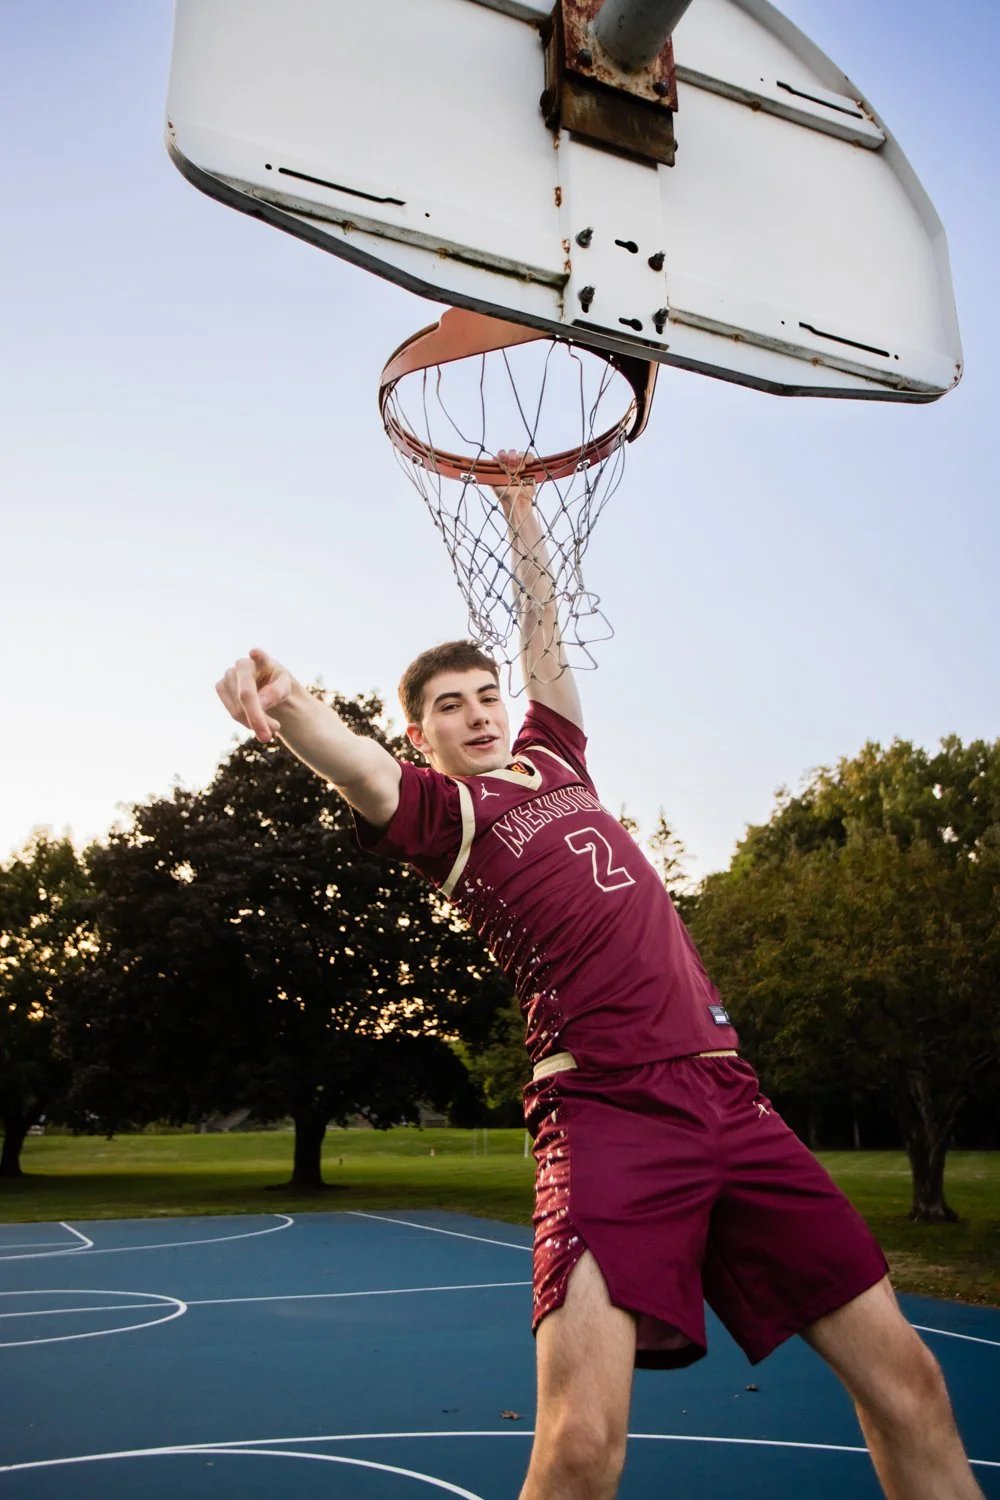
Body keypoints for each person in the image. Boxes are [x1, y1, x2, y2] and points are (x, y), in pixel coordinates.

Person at [216, 455, 983, 1500]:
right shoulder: (444, 820)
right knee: (580, 1447)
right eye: (451, 705)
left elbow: (545, 637)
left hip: (731, 1099)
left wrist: (523, 515)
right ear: (422, 735)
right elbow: (352, 763)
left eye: (488, 696)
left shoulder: (561, 761)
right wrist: (289, 699)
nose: (480, 712)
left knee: (912, 1387)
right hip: (608, 1111)